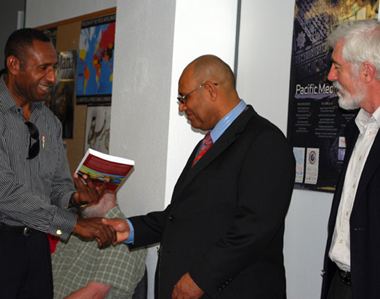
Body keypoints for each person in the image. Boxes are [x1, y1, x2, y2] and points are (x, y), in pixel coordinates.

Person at [104, 55, 296, 298]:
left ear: (210, 90)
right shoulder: (209, 142)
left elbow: (253, 229)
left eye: (184, 98)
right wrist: (131, 228)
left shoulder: (264, 141)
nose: (182, 107)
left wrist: (200, 278)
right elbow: (182, 215)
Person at [0, 28, 115, 298]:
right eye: (44, 68)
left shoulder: (50, 122)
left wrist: (77, 197)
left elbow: (57, 187)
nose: (52, 78)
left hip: (37, 246)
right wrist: (74, 224)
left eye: (54, 67)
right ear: (14, 65)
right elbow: (3, 194)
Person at [321, 19, 380, 299]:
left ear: (367, 71)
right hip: (340, 285)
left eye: (338, 67)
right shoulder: (358, 129)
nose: (330, 76)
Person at [52, 191, 147, 299]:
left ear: (107, 189)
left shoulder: (124, 237)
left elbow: (95, 295)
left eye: (85, 188)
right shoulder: (75, 231)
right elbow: (44, 280)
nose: (79, 197)